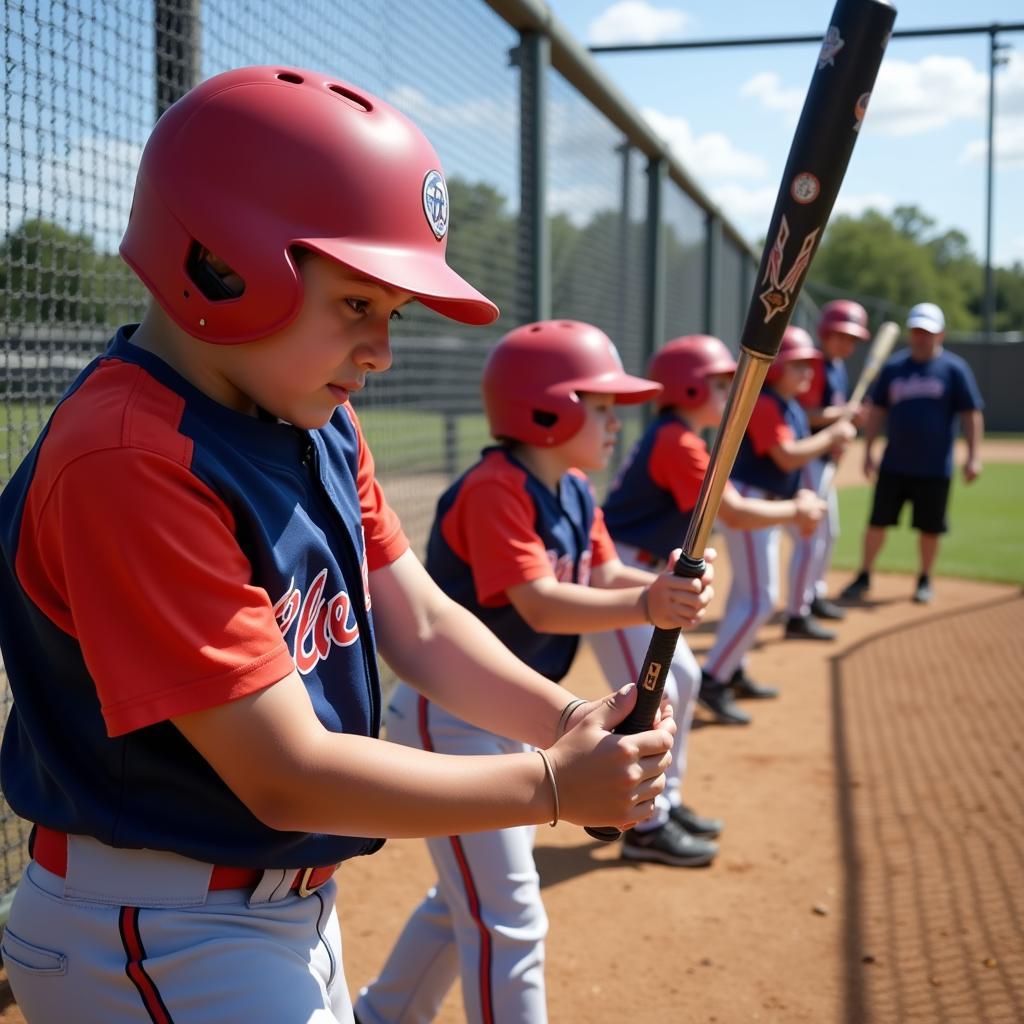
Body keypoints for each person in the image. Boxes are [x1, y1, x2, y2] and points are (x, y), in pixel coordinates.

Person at [0, 68, 681, 1024]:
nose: (382, 351)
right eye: (357, 305)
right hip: (154, 928)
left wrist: (569, 720)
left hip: (271, 910)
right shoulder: (131, 458)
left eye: (390, 315)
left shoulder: (316, 423)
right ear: (222, 264)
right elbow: (285, 774)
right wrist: (552, 786)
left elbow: (424, 623)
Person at [355, 320, 714, 1024]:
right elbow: (540, 605)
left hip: (514, 713)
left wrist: (660, 585)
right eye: (602, 407)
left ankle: (383, 1014)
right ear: (546, 410)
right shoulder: (496, 489)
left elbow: (603, 571)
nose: (616, 424)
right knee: (508, 916)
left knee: (473, 895)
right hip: (450, 717)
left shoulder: (577, 490)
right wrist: (643, 602)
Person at [592, 334, 824, 835]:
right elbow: (735, 513)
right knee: (650, 696)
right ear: (690, 390)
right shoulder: (675, 439)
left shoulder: (683, 437)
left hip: (647, 570)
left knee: (688, 681)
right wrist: (796, 508)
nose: (730, 394)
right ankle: (643, 828)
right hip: (616, 576)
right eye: (721, 385)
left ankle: (663, 805)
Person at [698, 326, 857, 725]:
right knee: (760, 599)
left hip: (767, 502)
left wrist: (831, 440)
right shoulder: (767, 401)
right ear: (778, 368)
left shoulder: (791, 406)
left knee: (745, 595)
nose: (807, 371)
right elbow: (785, 457)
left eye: (809, 364)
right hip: (751, 501)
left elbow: (797, 457)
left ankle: (732, 670)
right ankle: (713, 679)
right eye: (798, 364)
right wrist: (831, 436)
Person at [839, 302, 984, 605]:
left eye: (927, 332)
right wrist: (868, 451)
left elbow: (971, 414)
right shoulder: (893, 368)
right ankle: (864, 574)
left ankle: (924, 578)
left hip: (934, 467)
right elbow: (877, 411)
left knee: (930, 528)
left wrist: (974, 455)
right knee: (877, 522)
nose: (920, 337)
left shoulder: (954, 369)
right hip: (894, 463)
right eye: (916, 331)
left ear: (940, 334)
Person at [784, 300, 870, 640]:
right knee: (813, 538)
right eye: (840, 336)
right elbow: (805, 414)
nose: (846, 344)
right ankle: (798, 611)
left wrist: (843, 419)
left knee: (828, 533)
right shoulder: (815, 364)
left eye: (852, 339)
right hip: (806, 461)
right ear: (825, 333)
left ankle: (813, 595)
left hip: (823, 461)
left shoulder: (836, 366)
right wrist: (841, 415)